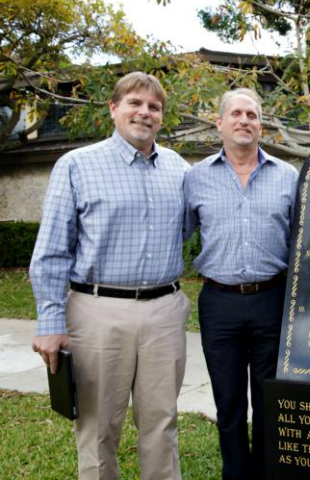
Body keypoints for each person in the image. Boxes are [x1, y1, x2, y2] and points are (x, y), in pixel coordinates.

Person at [30, 72, 191, 480]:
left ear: (161, 117)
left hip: (165, 312)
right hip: (97, 311)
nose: (144, 112)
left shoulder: (178, 168)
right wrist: (50, 322)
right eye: (135, 103)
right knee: (98, 427)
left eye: (154, 107)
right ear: (114, 108)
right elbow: (51, 250)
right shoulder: (77, 165)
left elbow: (187, 229)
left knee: (162, 423)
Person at [184, 88, 298, 480]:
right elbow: (178, 233)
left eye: (251, 114)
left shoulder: (288, 177)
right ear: (220, 123)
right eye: (235, 113)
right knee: (228, 402)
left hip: (272, 298)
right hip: (220, 302)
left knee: (269, 400)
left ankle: (267, 472)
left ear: (261, 126)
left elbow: (301, 240)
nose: (244, 120)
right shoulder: (195, 178)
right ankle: (235, 474)